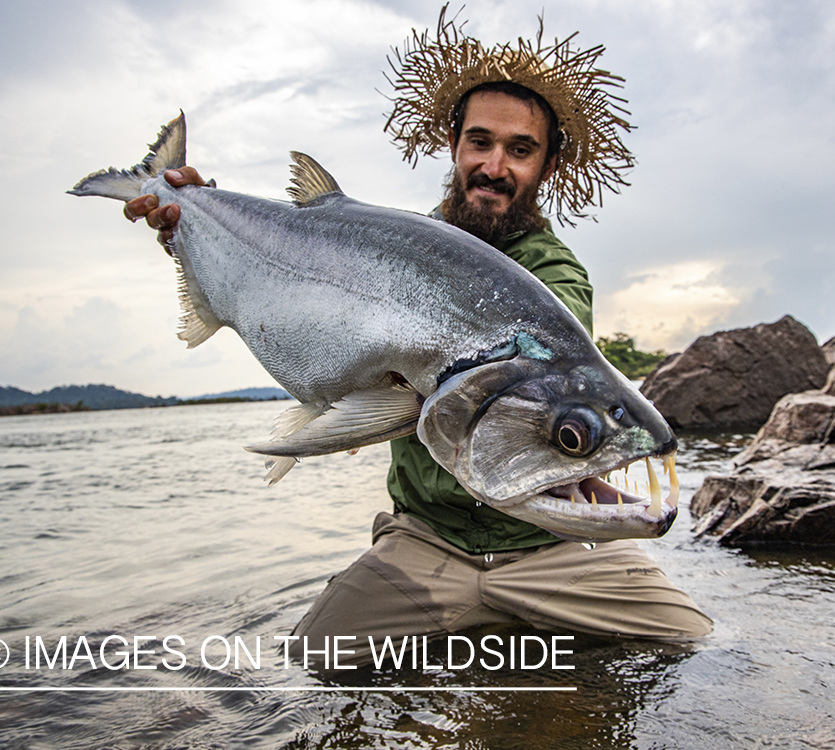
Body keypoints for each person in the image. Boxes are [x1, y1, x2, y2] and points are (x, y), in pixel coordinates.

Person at [126, 10, 712, 666]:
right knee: (315, 662)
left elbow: (541, 379)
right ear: (454, 145)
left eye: (519, 150)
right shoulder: (380, 240)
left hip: (553, 552)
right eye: (480, 142)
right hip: (426, 542)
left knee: (691, 645)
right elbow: (299, 300)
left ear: (546, 165)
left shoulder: (551, 274)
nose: (494, 165)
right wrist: (197, 216)